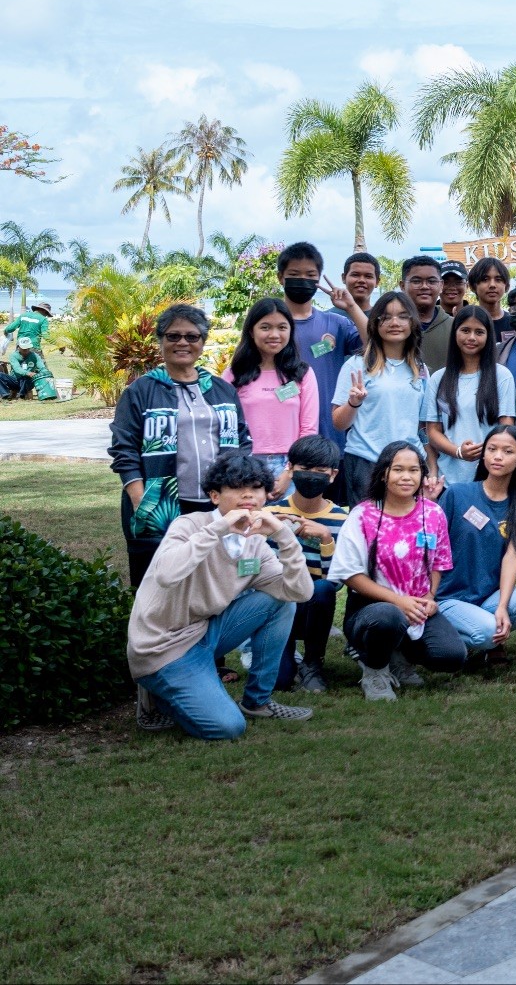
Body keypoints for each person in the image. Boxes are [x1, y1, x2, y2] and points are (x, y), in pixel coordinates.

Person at [128, 452, 315, 738]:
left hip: (206, 632)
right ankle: (156, 696)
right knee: (228, 727)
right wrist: (220, 528)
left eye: (255, 488)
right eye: (237, 488)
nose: (248, 496)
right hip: (163, 646)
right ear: (215, 496)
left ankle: (257, 702)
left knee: (281, 601)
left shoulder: (257, 543)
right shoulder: (189, 525)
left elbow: (300, 592)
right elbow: (167, 574)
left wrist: (284, 536)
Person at [110, 305, 253, 587]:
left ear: (203, 341)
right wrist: (141, 501)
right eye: (173, 336)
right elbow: (123, 450)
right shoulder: (141, 391)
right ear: (160, 340)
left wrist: (240, 493)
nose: (183, 343)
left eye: (192, 336)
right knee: (156, 580)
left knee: (210, 579)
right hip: (159, 504)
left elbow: (242, 441)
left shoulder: (220, 389)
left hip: (214, 502)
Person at [332, 440, 464, 699]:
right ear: (384, 474)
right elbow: (349, 574)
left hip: (418, 607)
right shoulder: (362, 515)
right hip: (372, 609)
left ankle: (397, 655)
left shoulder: (433, 513)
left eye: (414, 470)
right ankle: (375, 669)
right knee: (388, 617)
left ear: (422, 475)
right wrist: (397, 601)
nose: (406, 477)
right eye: (398, 469)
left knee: (451, 657)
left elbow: (438, 562)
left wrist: (429, 596)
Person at [437, 427, 516, 657]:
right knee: (487, 632)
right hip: (447, 598)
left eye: (508, 451)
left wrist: (502, 607)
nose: (498, 456)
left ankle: (480, 629)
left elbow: (512, 558)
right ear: (483, 455)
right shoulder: (457, 494)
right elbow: (431, 547)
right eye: (492, 449)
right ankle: (446, 640)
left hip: (486, 598)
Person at [332, 291, 436, 506]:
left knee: (404, 530)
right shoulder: (357, 365)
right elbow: (339, 423)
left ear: (413, 323)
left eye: (402, 316)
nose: (394, 322)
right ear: (375, 323)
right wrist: (354, 403)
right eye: (385, 317)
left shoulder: (420, 369)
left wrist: (430, 464)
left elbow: (422, 426)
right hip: (365, 461)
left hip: (408, 464)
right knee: (368, 533)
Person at [268, 434, 348, 693]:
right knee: (280, 681)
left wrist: (325, 538)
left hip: (314, 602)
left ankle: (313, 662)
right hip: (278, 601)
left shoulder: (341, 519)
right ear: (289, 468)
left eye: (320, 470)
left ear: (333, 474)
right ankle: (286, 655)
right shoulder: (270, 514)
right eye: (304, 469)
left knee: (323, 589)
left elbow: (334, 582)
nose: (311, 476)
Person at [229, 296, 320, 496]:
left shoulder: (302, 374)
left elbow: (309, 429)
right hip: (246, 464)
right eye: (265, 327)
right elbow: (226, 427)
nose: (274, 334)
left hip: (291, 466)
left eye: (282, 327)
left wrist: (289, 471)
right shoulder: (234, 375)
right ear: (251, 331)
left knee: (287, 526)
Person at [276, 241, 366, 444]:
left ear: (319, 277)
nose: (302, 280)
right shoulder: (269, 328)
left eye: (310, 275)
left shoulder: (337, 324)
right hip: (283, 435)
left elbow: (374, 346)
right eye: (294, 274)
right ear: (281, 278)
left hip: (331, 435)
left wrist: (351, 307)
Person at [427, 304, 514, 486]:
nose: (471, 337)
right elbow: (433, 431)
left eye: (479, 332)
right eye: (465, 330)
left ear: (488, 335)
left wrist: (488, 453)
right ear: (455, 333)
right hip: (448, 480)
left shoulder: (502, 376)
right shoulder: (438, 378)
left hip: (489, 478)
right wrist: (458, 451)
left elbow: (506, 426)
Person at [401, 255, 455, 372]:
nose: (425, 286)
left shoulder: (455, 327)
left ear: (441, 286)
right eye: (416, 281)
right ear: (402, 285)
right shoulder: (392, 326)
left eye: (431, 281)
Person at [468, 255, 512, 333]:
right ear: (473, 286)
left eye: (498, 279)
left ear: (506, 286)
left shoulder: (514, 323)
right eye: (485, 279)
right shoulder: (466, 323)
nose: (492, 285)